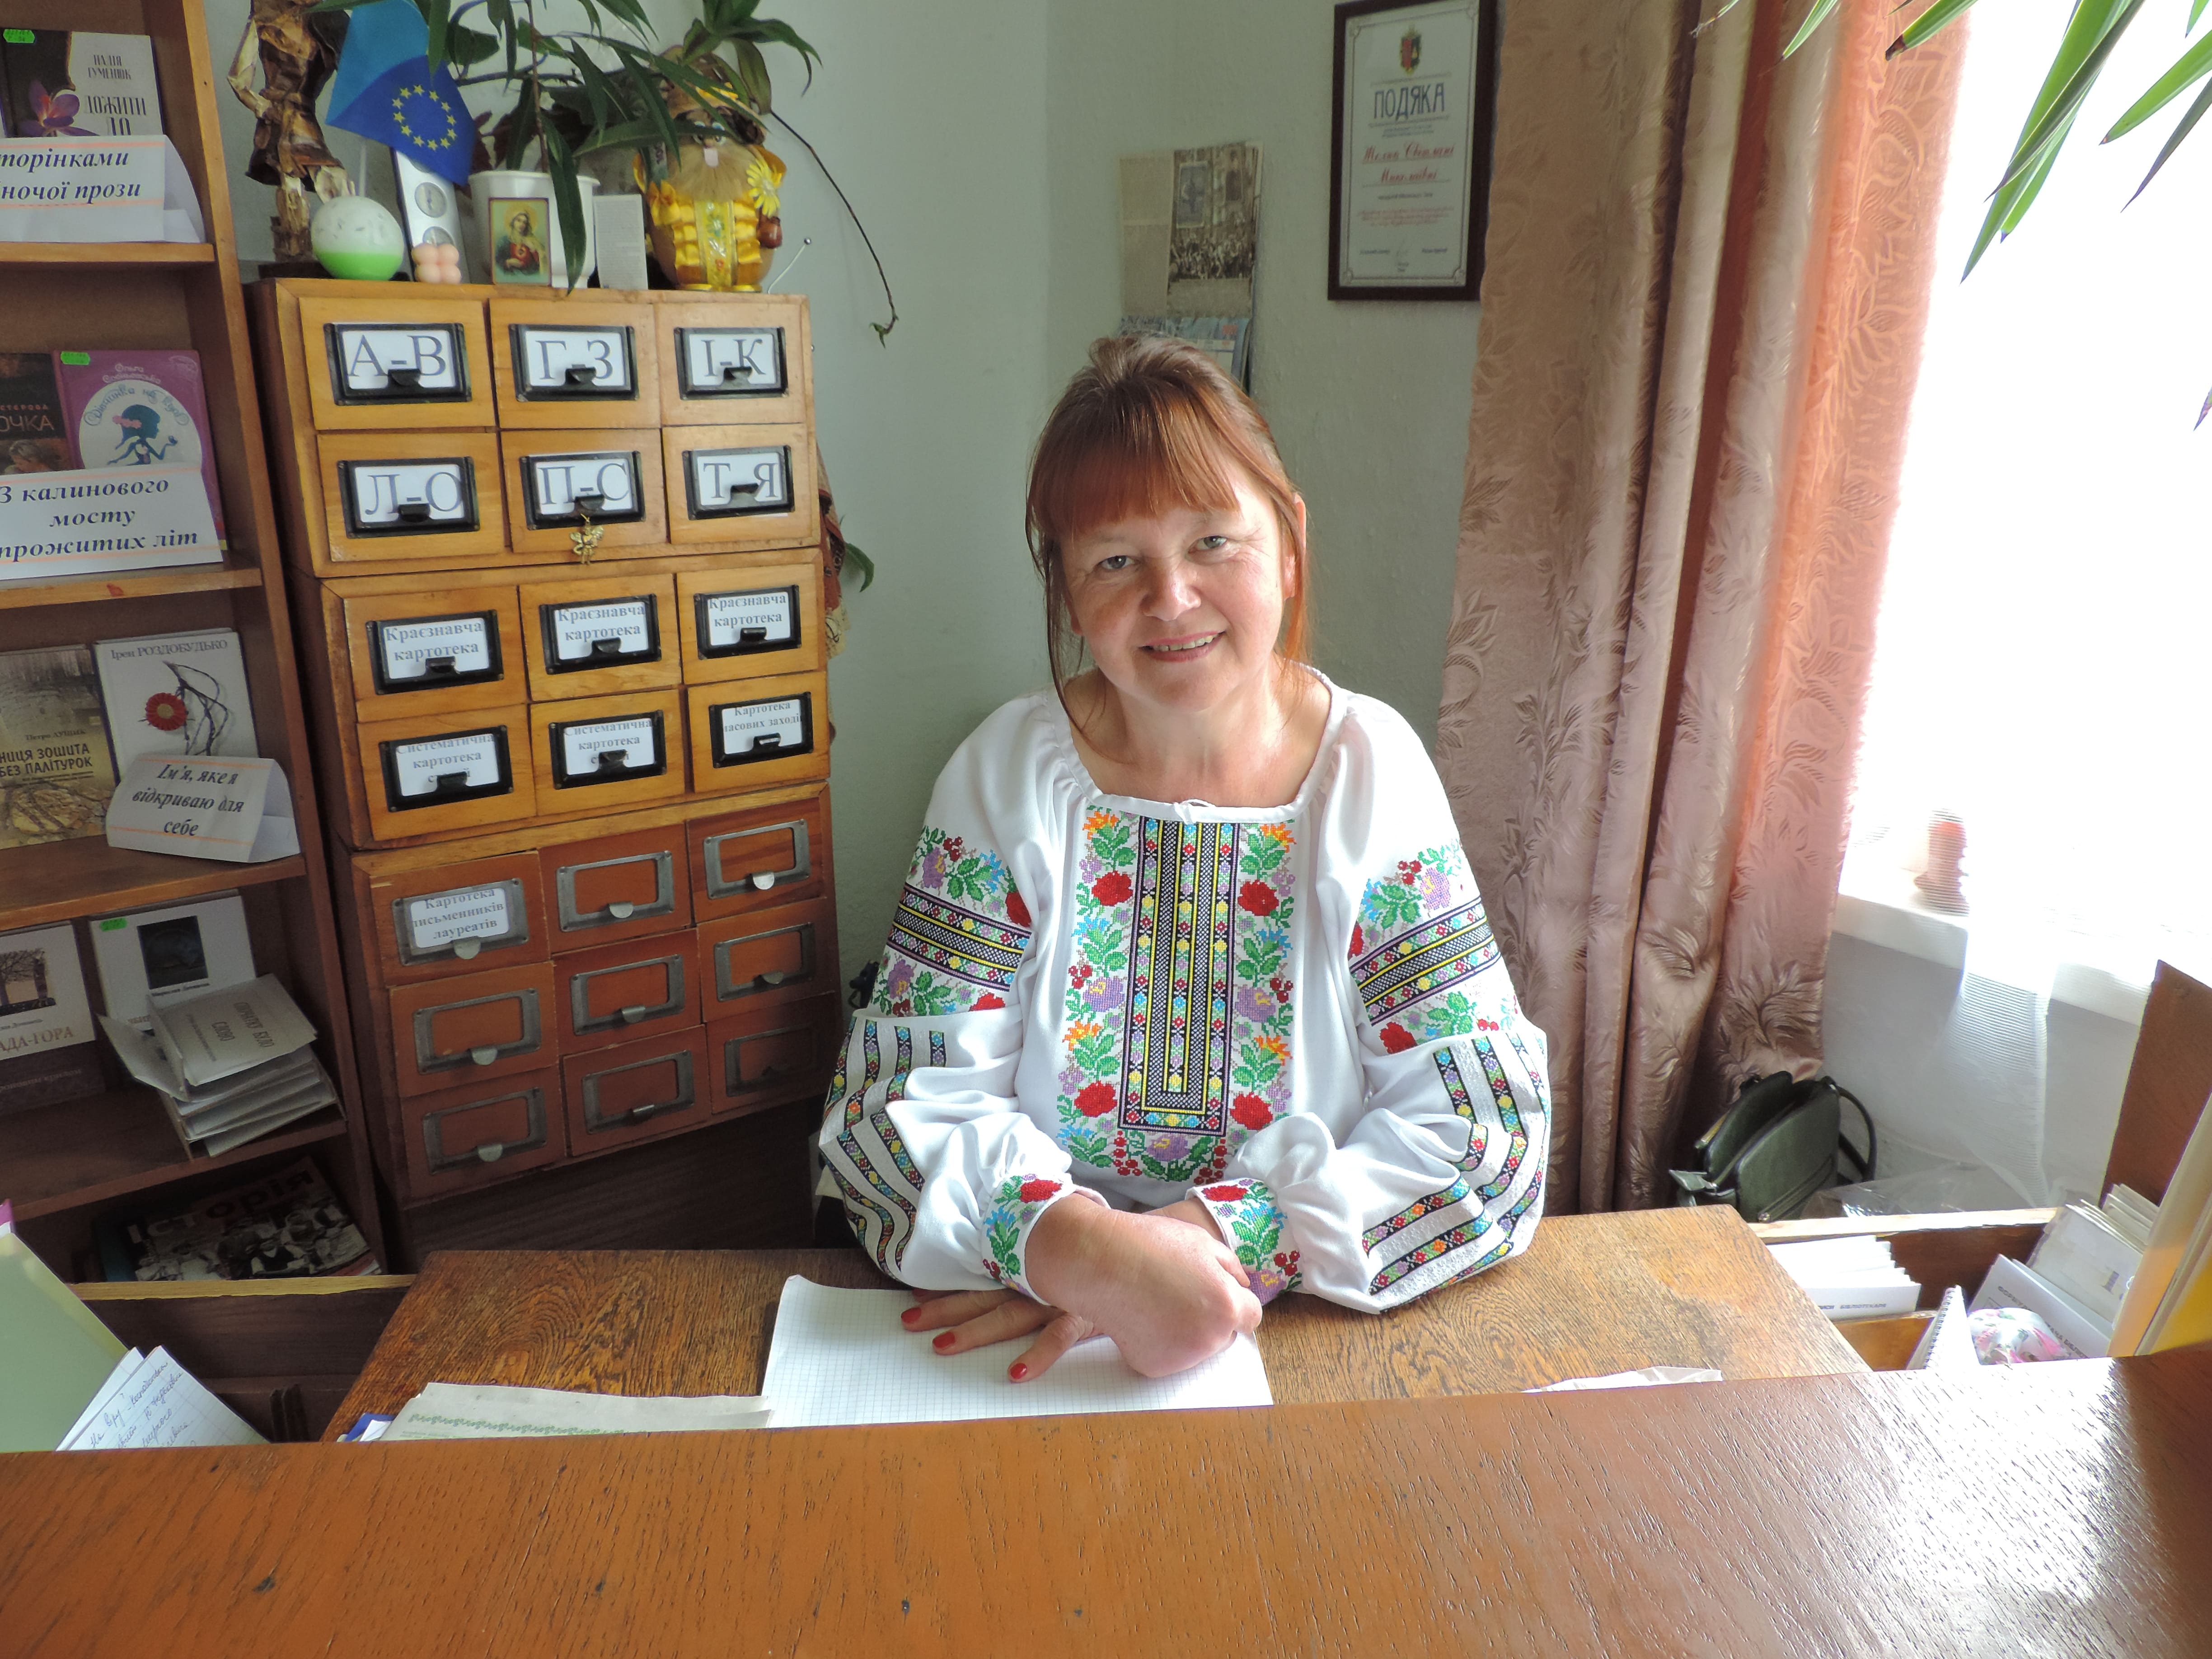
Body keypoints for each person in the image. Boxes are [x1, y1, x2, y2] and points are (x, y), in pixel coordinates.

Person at [819, 336, 1550, 1382]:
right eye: (1116, 560)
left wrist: (1195, 1251)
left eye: (1213, 541)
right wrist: (1073, 1249)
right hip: (1027, 1319)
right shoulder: (1003, 775)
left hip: (1309, 1327)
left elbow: (1484, 1131)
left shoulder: (1369, 773)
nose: (1171, 597)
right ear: (1067, 588)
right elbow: (890, 1110)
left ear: (1289, 545)